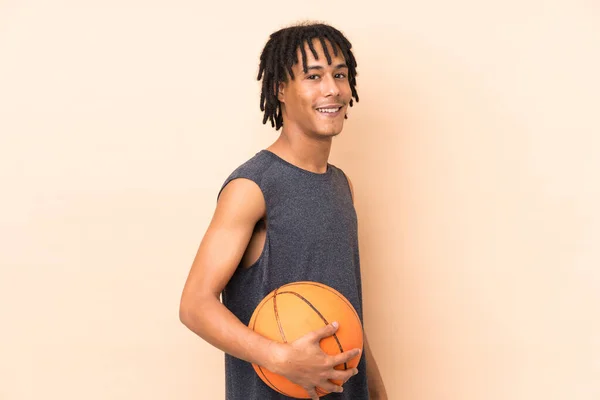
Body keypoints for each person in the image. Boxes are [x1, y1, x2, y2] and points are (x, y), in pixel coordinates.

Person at [179, 22, 388, 400]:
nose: (332, 89)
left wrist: (376, 391)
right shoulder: (252, 187)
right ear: (280, 90)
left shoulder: (342, 186)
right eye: (313, 76)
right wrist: (280, 357)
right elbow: (195, 304)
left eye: (339, 74)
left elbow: (345, 308)